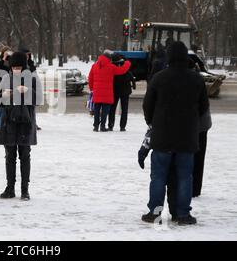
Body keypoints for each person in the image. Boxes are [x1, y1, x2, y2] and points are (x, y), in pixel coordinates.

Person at [141, 41, 209, 226]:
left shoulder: (159, 78)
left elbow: (148, 105)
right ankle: (182, 214)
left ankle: (154, 213)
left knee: (158, 177)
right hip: (187, 136)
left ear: (169, 56)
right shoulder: (196, 79)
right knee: (185, 176)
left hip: (162, 135)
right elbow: (204, 106)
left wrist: (152, 121)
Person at [0, 51, 43, 200]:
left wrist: (28, 90)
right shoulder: (5, 79)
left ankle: (25, 189)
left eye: (19, 67)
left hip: (26, 123)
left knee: (25, 156)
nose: (16, 70)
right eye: (14, 67)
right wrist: (3, 96)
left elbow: (39, 99)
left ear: (24, 67)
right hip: (9, 123)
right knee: (9, 157)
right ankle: (10, 188)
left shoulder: (32, 79)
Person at [88, 50, 131, 132]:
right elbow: (122, 70)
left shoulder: (94, 66)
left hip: (97, 92)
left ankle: (96, 126)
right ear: (108, 58)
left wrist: (91, 89)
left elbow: (90, 78)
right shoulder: (111, 67)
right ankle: (103, 127)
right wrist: (127, 63)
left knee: (96, 109)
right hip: (107, 93)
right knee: (105, 111)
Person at [108, 54, 136, 132]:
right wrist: (133, 85)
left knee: (112, 109)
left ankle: (110, 125)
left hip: (115, 90)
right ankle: (122, 127)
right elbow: (131, 77)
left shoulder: (112, 67)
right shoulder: (125, 67)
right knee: (124, 109)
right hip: (125, 91)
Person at [0, 47, 13, 129]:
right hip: (1, 82)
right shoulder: (0, 59)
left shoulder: (11, 60)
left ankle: (7, 123)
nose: (8, 53)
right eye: (6, 52)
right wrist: (4, 58)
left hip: (10, 82)